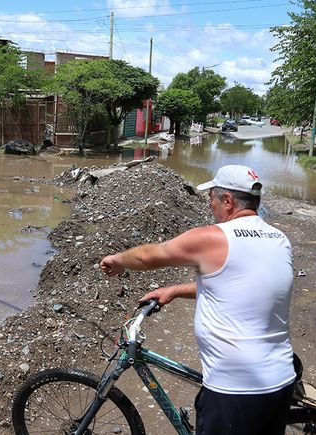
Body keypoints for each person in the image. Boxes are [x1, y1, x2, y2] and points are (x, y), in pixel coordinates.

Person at [99, 164, 296, 435]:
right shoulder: (279, 239)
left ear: (227, 201)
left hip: (236, 391)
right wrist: (175, 290)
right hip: (280, 381)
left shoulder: (214, 237)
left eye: (212, 197)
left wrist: (117, 259)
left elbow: (149, 255)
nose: (210, 205)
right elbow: (241, 287)